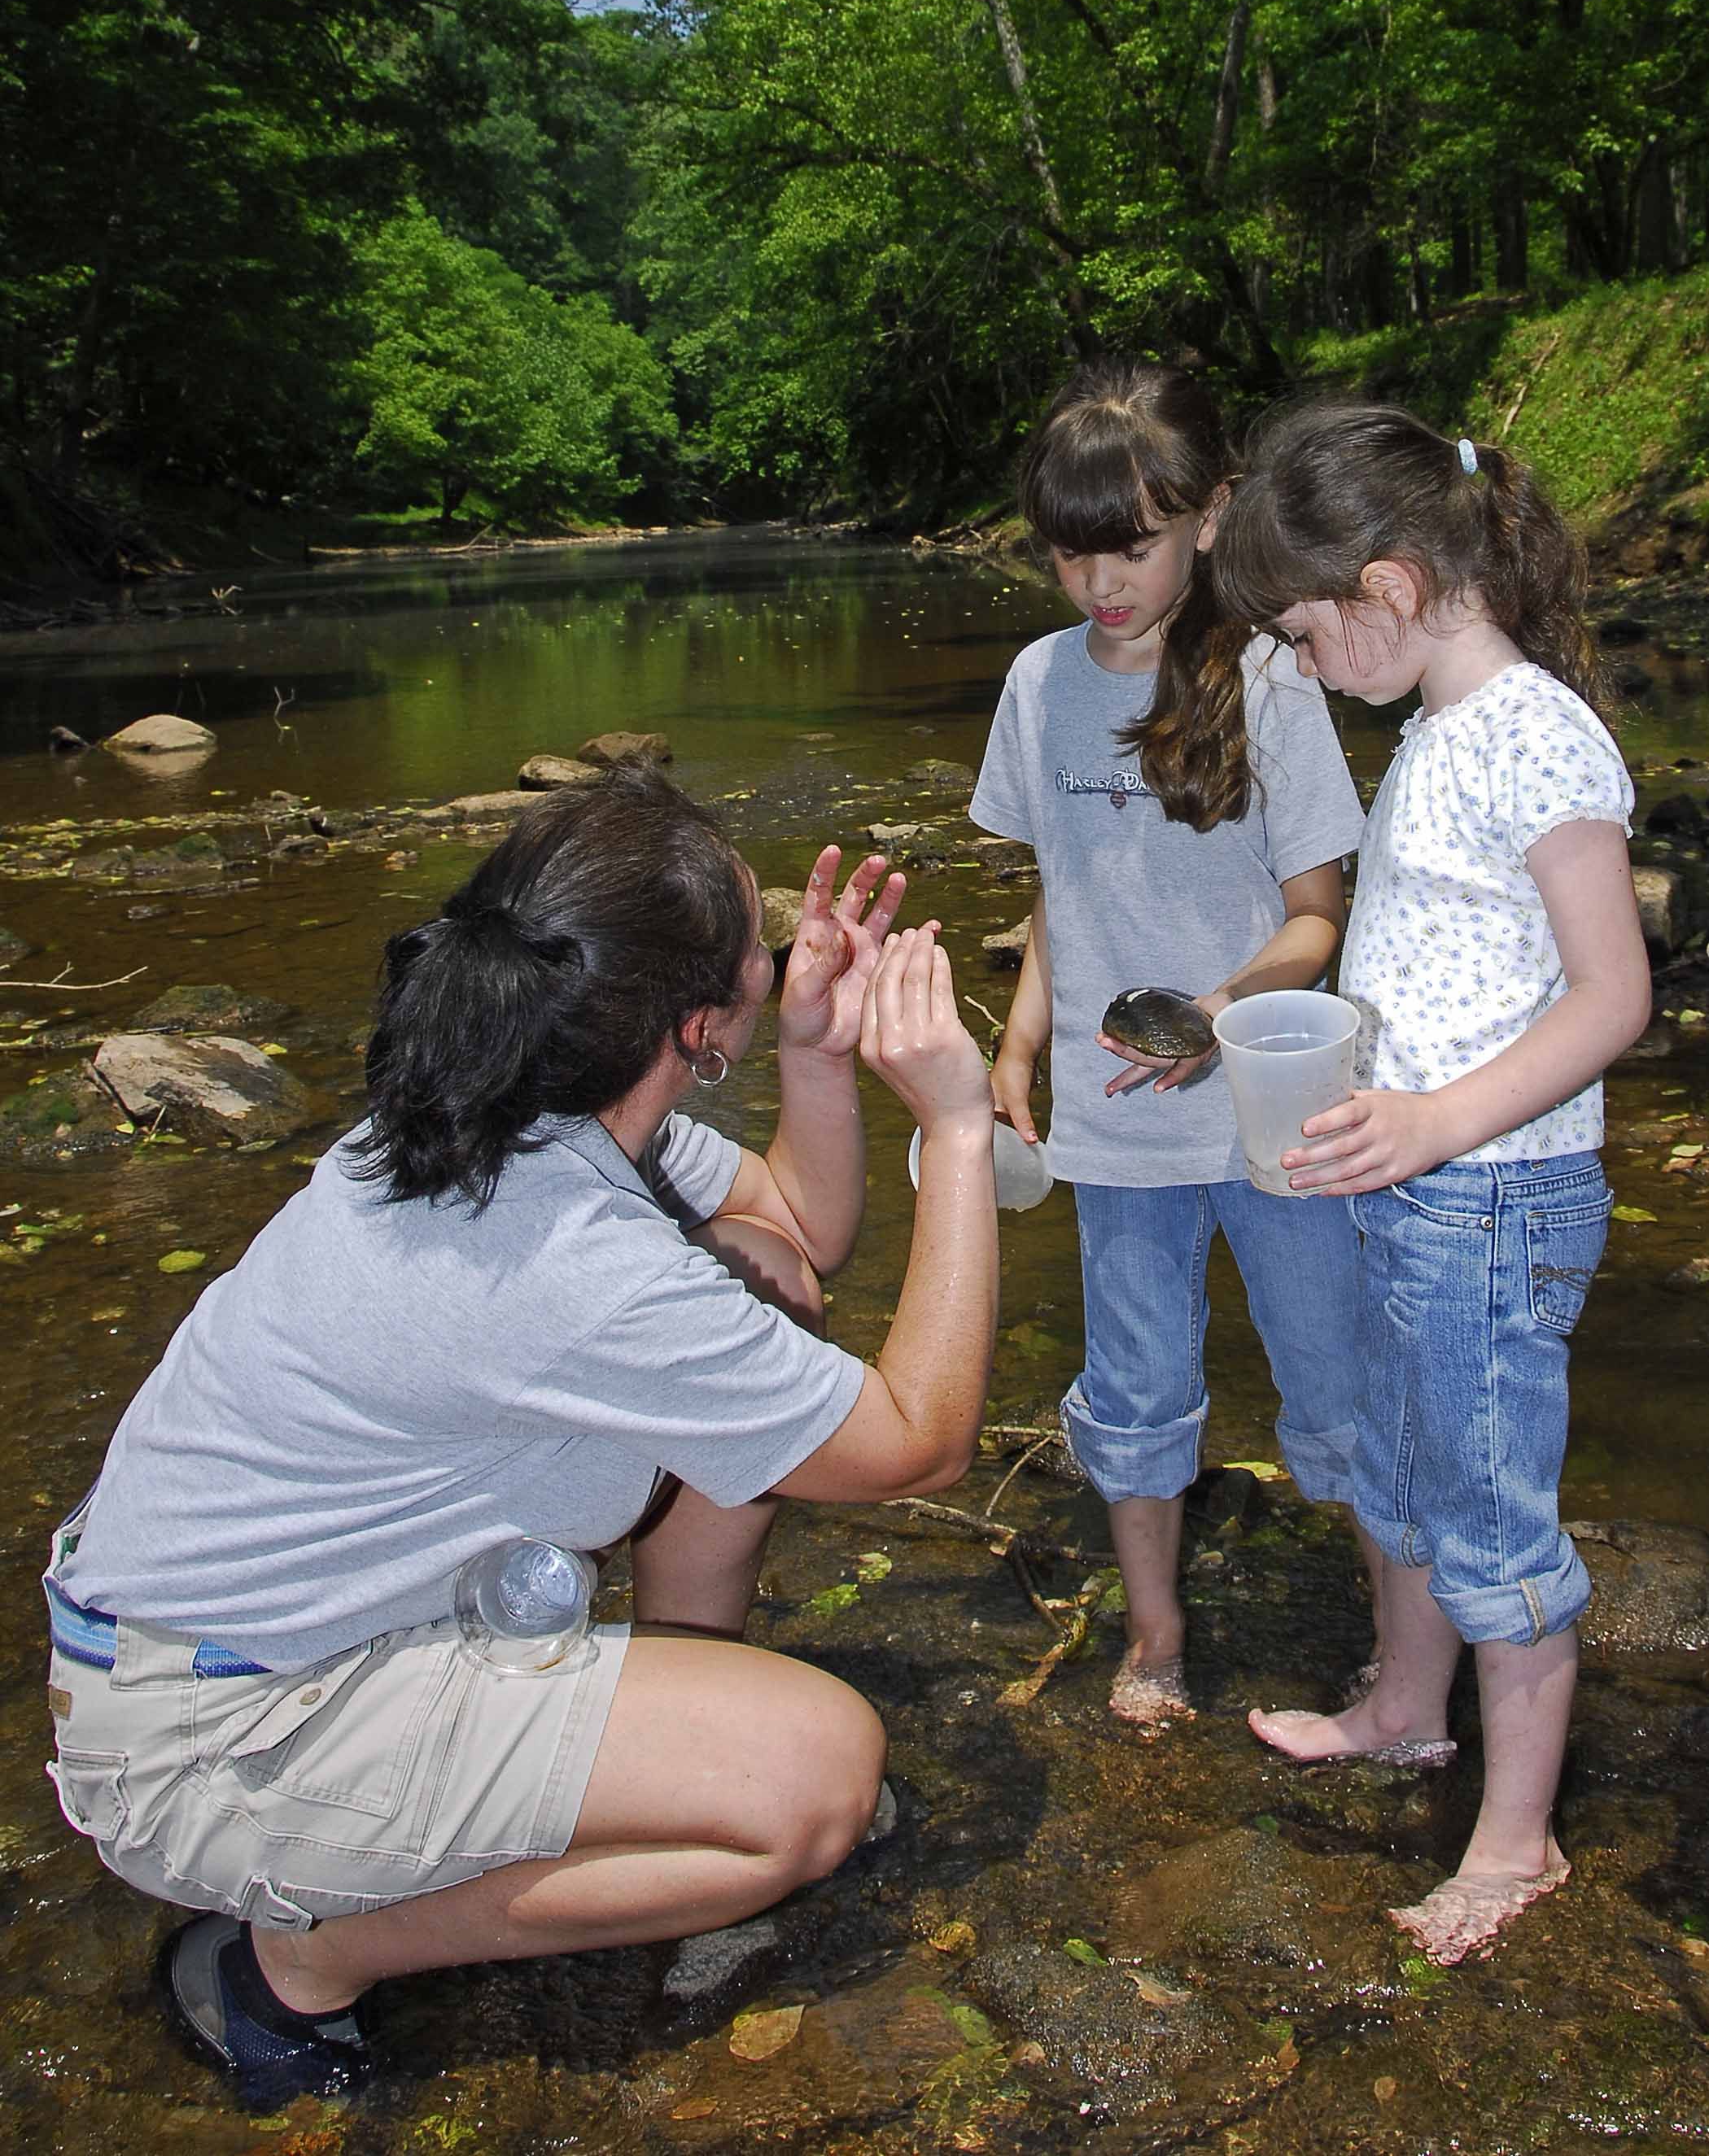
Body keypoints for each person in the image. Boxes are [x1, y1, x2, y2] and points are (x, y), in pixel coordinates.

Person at [42, 764, 999, 2108]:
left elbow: (795, 1230)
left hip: (221, 1643)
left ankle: (666, 1738)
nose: (781, 953)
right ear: (690, 1024)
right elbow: (919, 1445)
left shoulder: (508, 1097)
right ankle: (301, 1960)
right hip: (212, 1734)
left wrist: (812, 1051)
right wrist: (956, 1129)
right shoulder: (559, 1250)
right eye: (760, 947)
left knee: (753, 1297)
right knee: (817, 1780)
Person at [1212, 404, 1651, 1965]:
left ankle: (1520, 1843)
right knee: (1406, 1456)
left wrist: (1436, 1121)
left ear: (1391, 588)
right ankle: (1406, 1710)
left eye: (1308, 633)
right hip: (1421, 1187)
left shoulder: (1533, 732)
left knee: (1487, 1504)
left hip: (1496, 1194)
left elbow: (1613, 999)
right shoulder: (1436, 728)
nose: (1307, 665)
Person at [970, 359, 1372, 1733]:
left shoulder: (1268, 674)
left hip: (1273, 1108)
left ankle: (1399, 1624)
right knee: (1136, 1386)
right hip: (1114, 1120)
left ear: (1209, 518)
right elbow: (1057, 891)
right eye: (1073, 556)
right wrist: (1019, 1043)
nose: (1103, 585)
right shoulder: (1036, 685)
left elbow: (1319, 915)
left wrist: (1213, 1017)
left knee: (1332, 1372)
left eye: (1132, 548)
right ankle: (1155, 1630)